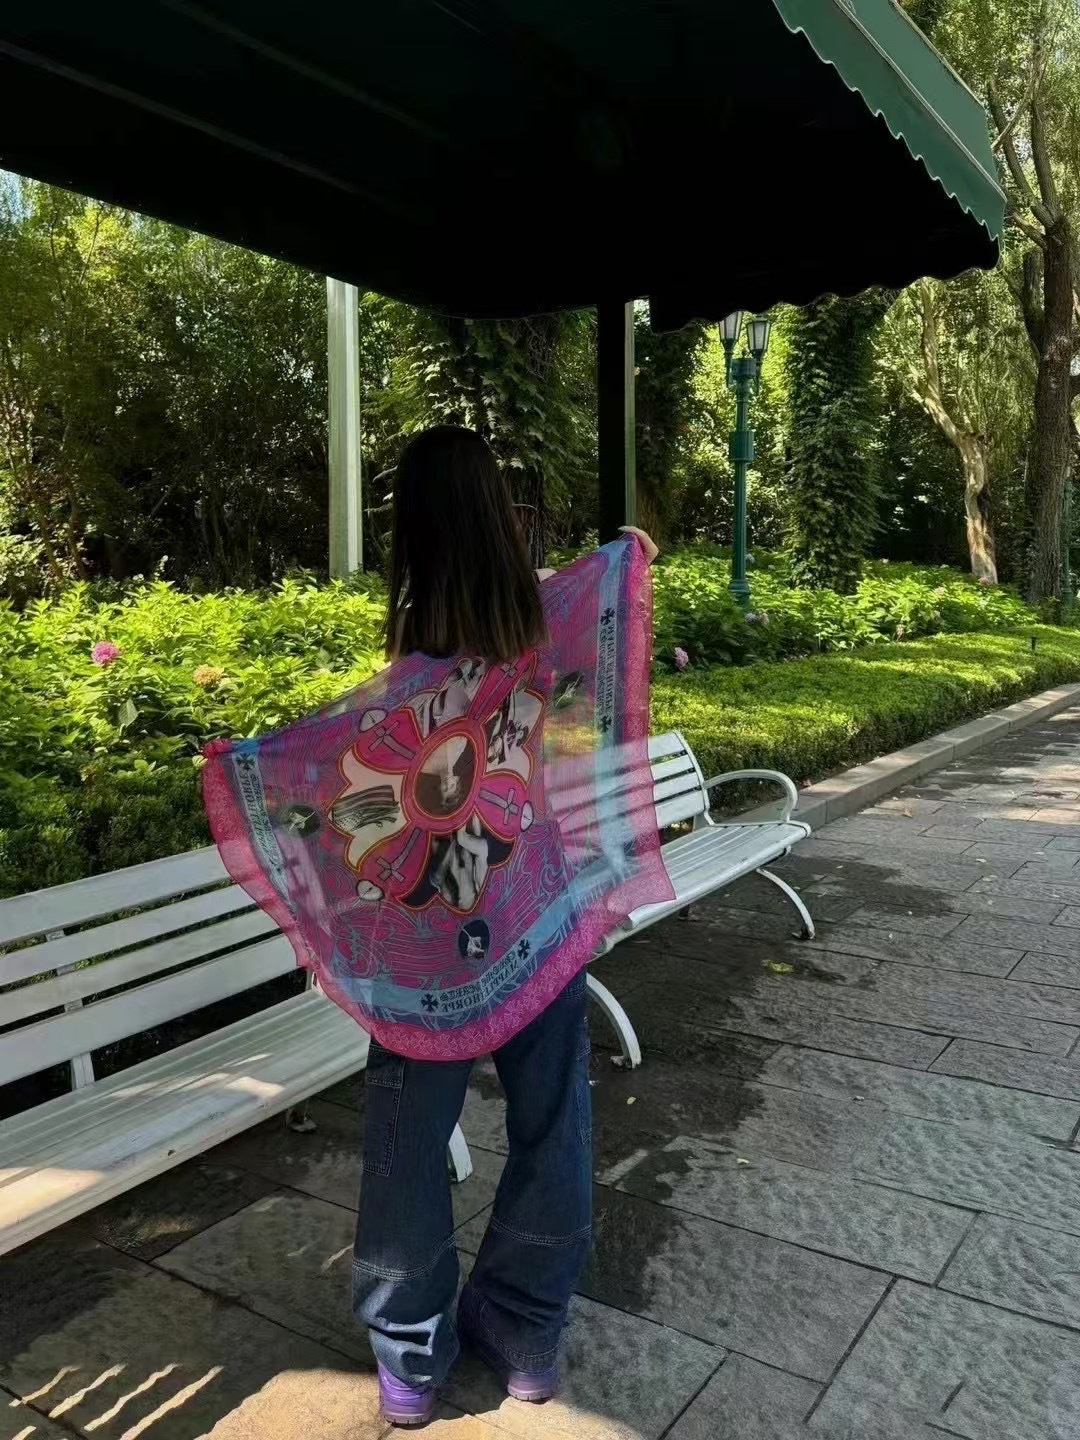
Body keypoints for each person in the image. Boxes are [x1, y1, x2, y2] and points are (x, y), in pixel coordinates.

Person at [354, 425, 657, 1427]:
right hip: (536, 916)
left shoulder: (414, 646)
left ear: (413, 521)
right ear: (495, 507)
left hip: (426, 940)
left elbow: (372, 795)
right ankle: (527, 1332)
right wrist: (626, 559)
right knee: (552, 1119)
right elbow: (600, 661)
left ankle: (411, 1362)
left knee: (407, 1140)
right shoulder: (541, 620)